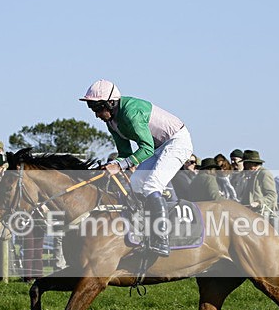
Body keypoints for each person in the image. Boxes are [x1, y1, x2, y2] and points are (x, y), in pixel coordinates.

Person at [80, 79, 194, 256]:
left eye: (97, 108)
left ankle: (162, 240)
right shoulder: (111, 122)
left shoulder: (131, 112)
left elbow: (146, 148)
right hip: (159, 146)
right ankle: (144, 233)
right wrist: (113, 165)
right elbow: (124, 153)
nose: (96, 115)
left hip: (177, 142)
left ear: (111, 103)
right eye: (92, 109)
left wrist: (120, 165)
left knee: (152, 185)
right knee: (136, 182)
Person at [237, 150, 278, 219]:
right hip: (249, 214)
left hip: (265, 215)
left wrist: (258, 202)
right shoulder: (248, 175)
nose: (244, 166)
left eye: (246, 163)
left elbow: (272, 195)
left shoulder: (264, 174)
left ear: (252, 164)